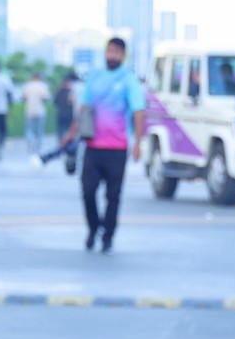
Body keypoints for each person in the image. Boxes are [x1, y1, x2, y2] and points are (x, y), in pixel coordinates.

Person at [63, 37, 145, 252]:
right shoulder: (95, 77)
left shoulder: (128, 79)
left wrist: (138, 142)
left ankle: (108, 236)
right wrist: (71, 134)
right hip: (93, 146)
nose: (112, 56)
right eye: (110, 51)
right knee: (88, 191)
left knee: (113, 196)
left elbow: (138, 111)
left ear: (123, 55)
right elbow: (84, 108)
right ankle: (93, 228)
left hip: (117, 149)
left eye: (117, 52)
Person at [20, 72, 51, 160]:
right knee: (39, 131)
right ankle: (38, 149)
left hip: (29, 111)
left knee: (29, 130)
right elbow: (46, 98)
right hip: (40, 111)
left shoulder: (27, 86)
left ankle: (30, 147)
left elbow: (23, 98)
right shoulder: (42, 86)